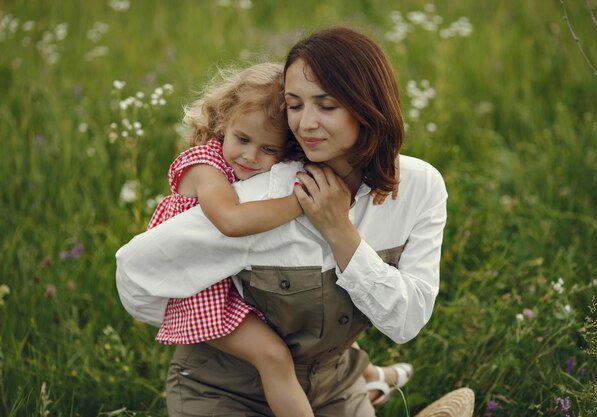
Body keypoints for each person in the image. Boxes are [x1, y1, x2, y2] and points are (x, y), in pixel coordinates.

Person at [116, 26, 448, 416]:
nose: (305, 124)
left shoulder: (420, 187)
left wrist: (338, 229)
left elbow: (405, 322)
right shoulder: (263, 198)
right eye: (294, 105)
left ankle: (368, 383)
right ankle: (373, 383)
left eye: (326, 105)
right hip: (226, 391)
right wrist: (212, 327)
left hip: (333, 387)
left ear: (369, 106)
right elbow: (135, 274)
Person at [147, 62, 313, 417]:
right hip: (200, 293)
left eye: (270, 149)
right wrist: (301, 203)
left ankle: (369, 377)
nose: (251, 156)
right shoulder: (204, 167)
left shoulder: (259, 166)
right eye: (243, 139)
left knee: (303, 324)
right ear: (224, 123)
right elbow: (230, 221)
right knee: (273, 356)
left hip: (229, 279)